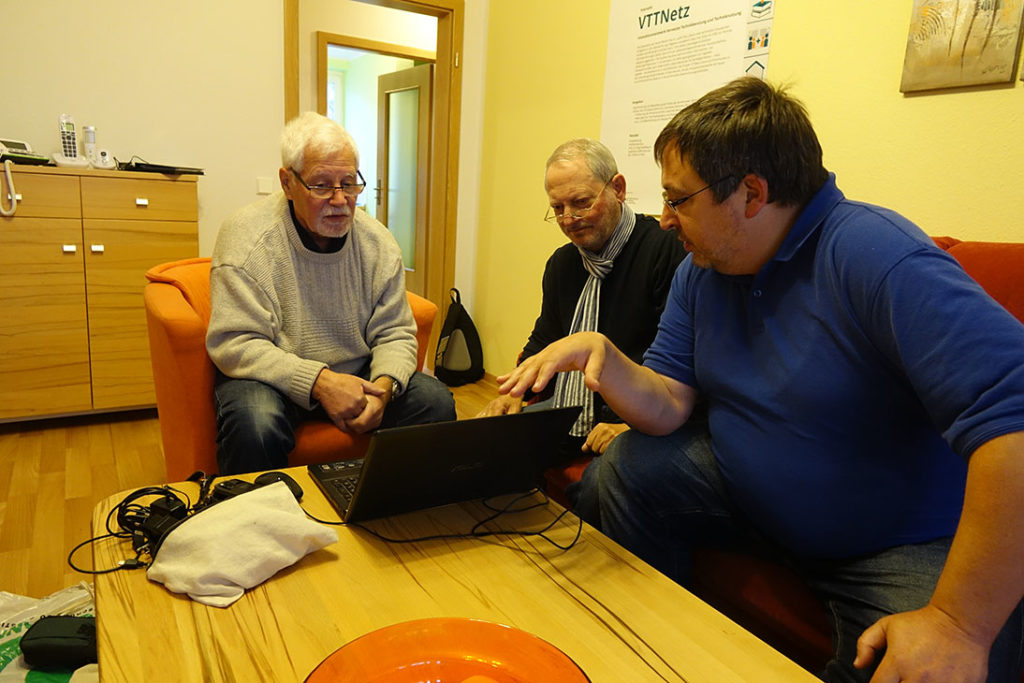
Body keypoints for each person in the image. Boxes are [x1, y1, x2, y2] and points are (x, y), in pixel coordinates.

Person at [497, 78, 1024, 683]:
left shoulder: (876, 255)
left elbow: (1015, 415)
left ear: (751, 193)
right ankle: (641, 652)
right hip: (752, 497)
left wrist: (958, 624)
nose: (664, 220)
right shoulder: (706, 267)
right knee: (628, 466)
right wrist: (606, 357)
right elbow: (668, 404)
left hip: (895, 541)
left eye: (678, 200)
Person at [207, 112, 456, 475]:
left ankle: (385, 509)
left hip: (358, 375)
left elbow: (396, 332)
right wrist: (321, 383)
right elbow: (238, 342)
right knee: (255, 423)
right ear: (287, 182)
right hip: (274, 379)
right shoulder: (246, 239)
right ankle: (260, 524)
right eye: (322, 185)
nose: (340, 200)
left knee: (435, 402)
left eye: (350, 183)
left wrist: (384, 387)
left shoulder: (378, 243)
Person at [479, 138, 685, 457]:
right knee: (487, 446)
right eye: (557, 208)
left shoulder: (665, 250)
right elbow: (546, 339)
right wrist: (513, 392)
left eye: (581, 202)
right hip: (572, 408)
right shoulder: (563, 264)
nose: (568, 219)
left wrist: (631, 423)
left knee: (594, 487)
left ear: (618, 188)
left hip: (639, 416)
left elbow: (676, 363)